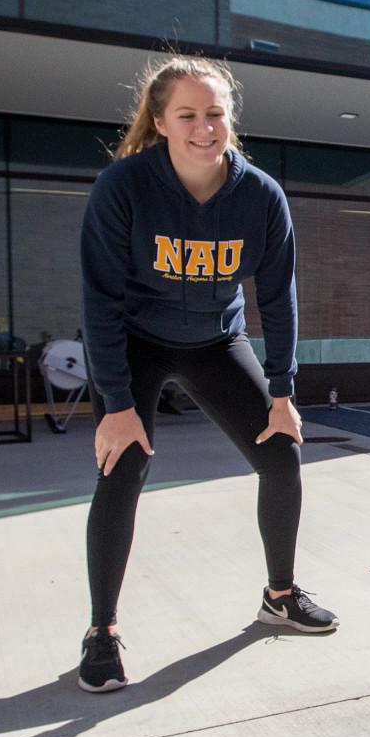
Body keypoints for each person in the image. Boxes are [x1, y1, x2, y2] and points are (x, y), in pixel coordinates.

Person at [76, 55, 335, 694]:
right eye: (187, 114)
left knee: (281, 452)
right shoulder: (123, 187)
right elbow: (99, 300)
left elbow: (278, 299)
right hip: (136, 342)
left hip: (217, 341)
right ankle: (101, 631)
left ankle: (280, 597)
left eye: (215, 113)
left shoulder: (260, 196)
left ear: (229, 118)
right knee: (122, 468)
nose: (203, 127)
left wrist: (282, 391)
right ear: (161, 121)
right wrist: (116, 403)